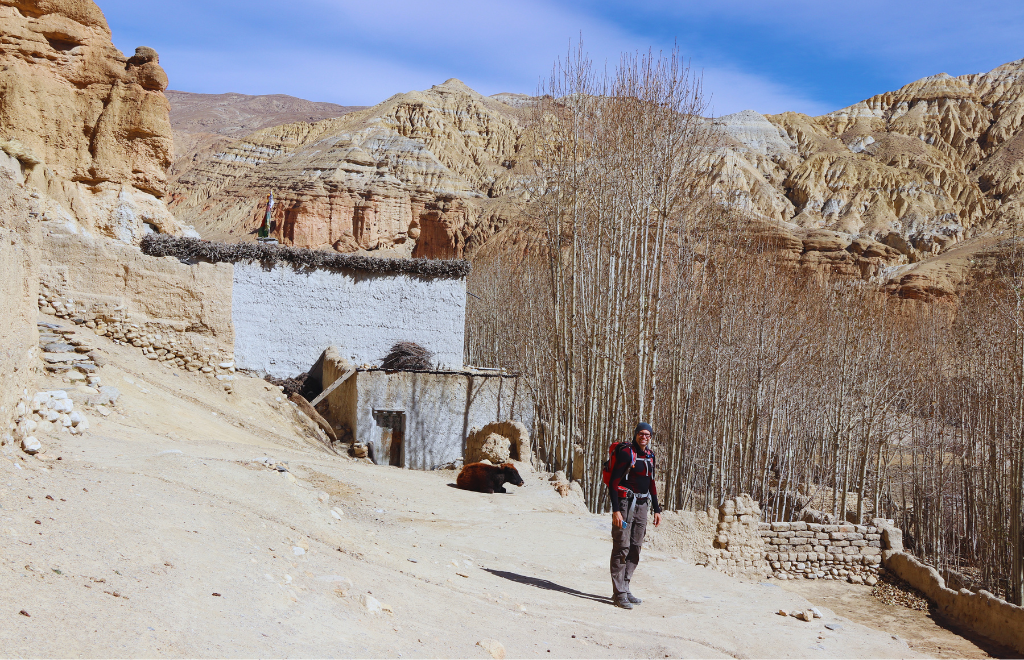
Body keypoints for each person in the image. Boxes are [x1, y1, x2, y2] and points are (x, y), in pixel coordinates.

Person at [608, 421, 662, 609]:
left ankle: (626, 585)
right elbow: (613, 483)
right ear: (636, 434)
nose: (644, 437)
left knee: (636, 547)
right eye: (641, 434)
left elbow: (652, 482)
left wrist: (657, 509)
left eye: (648, 435)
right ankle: (619, 593)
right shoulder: (626, 453)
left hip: (642, 505)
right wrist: (616, 510)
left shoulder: (650, 455)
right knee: (621, 546)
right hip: (624, 504)